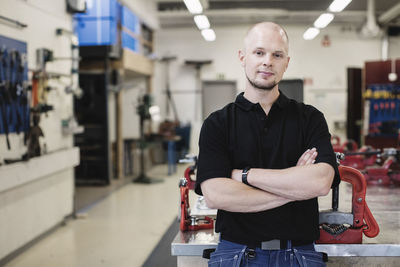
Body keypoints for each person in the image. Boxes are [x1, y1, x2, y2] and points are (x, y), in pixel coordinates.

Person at [195, 22, 340, 267]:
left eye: (277, 54)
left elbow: (320, 182)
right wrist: (295, 187)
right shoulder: (217, 124)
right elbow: (216, 195)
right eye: (259, 52)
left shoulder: (310, 118)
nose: (267, 61)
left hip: (299, 254)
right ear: (243, 57)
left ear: (287, 62)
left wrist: (244, 175)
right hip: (235, 255)